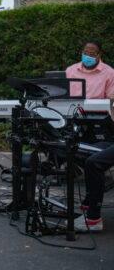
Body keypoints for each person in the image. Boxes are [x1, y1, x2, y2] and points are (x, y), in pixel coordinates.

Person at [66, 41, 114, 232]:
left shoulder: (109, 73)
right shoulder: (71, 70)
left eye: (92, 53)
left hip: (101, 125)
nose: (88, 55)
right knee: (72, 149)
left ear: (99, 54)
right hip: (78, 121)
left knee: (94, 162)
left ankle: (93, 217)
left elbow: (110, 104)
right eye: (85, 52)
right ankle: (88, 202)